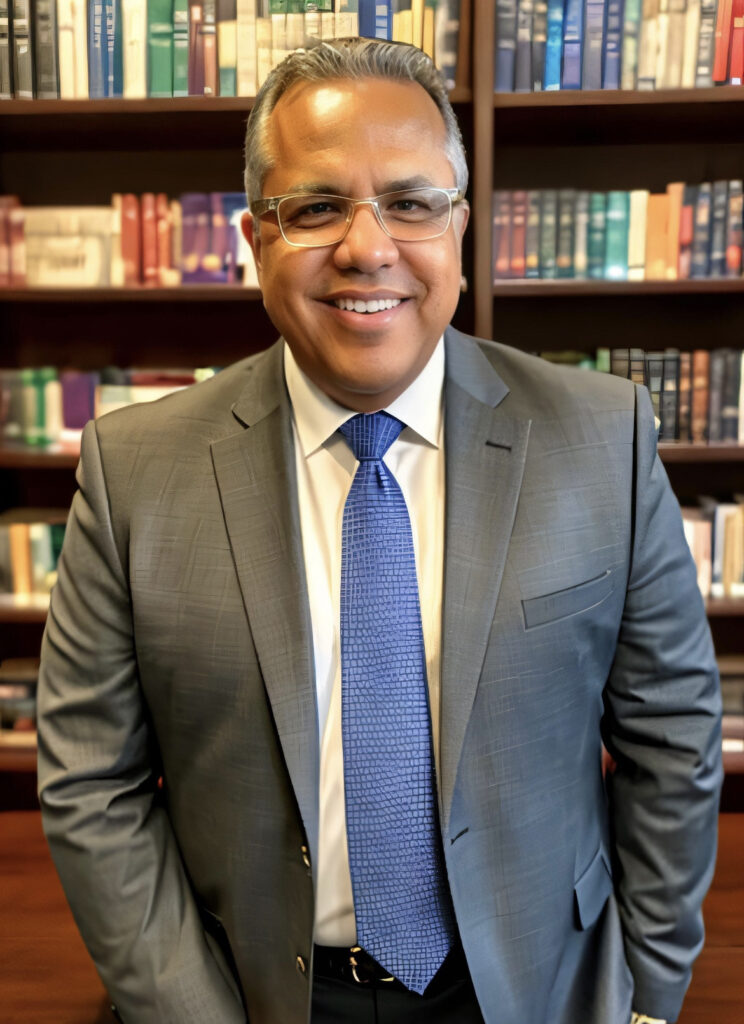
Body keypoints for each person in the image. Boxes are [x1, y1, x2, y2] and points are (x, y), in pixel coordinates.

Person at [37, 38, 722, 1024]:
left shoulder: (600, 438)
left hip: (539, 992)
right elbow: (90, 782)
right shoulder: (133, 469)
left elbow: (673, 738)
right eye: (316, 208)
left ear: (461, 228)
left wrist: (648, 997)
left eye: (411, 202)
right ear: (253, 237)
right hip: (248, 994)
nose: (368, 248)